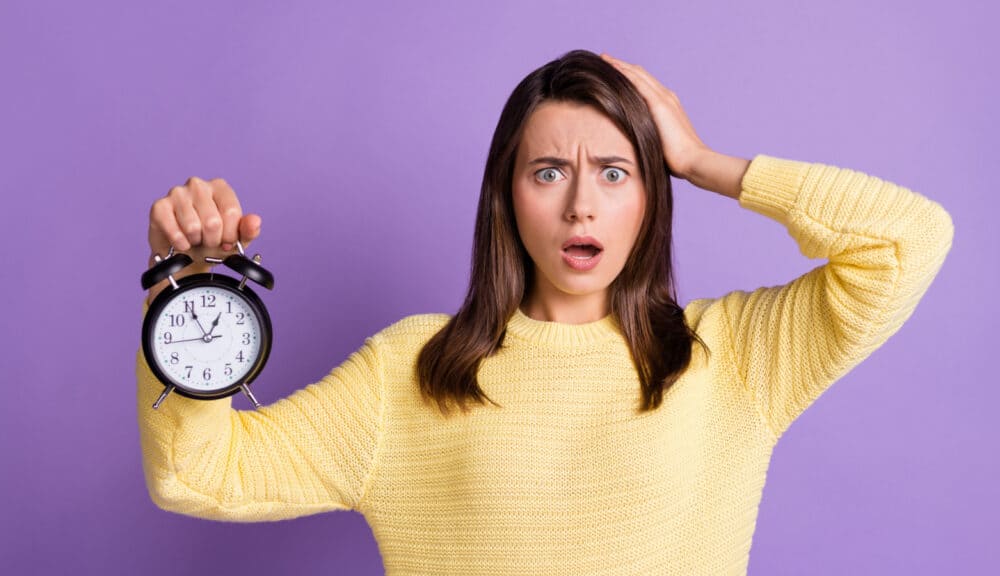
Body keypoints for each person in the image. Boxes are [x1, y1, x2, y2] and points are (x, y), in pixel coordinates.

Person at [137, 49, 954, 574]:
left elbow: (907, 242)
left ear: (651, 197)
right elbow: (197, 474)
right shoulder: (411, 372)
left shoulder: (734, 356)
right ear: (506, 197)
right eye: (549, 173)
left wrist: (705, 162)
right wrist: (187, 288)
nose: (581, 209)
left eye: (614, 172)